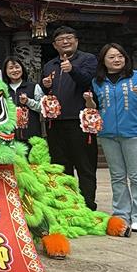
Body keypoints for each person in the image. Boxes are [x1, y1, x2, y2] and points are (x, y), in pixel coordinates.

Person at [85, 43, 137, 232]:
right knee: (117, 176)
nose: (117, 60)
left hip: (134, 133)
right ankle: (121, 214)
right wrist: (89, 101)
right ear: (103, 61)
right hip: (108, 134)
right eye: (111, 57)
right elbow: (94, 109)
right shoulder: (97, 82)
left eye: (120, 56)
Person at [40, 27, 99, 209]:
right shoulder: (50, 65)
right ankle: (67, 205)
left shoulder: (88, 59)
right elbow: (47, 93)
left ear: (76, 41)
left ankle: (88, 205)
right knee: (60, 166)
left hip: (80, 122)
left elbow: (88, 80)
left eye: (69, 38)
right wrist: (45, 85)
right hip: (55, 123)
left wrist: (72, 70)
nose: (65, 42)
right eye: (60, 39)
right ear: (54, 45)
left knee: (85, 166)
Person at [2, 57, 43, 141]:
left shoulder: (34, 87)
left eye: (17, 67)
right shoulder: (2, 90)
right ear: (5, 71)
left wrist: (28, 101)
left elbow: (43, 108)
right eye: (11, 68)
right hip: (9, 136)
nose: (14, 70)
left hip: (31, 135)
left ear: (22, 69)